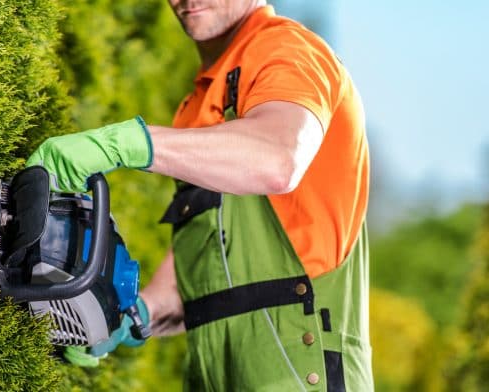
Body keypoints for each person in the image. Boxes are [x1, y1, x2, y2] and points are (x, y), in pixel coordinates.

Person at [27, 0, 373, 390]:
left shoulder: (288, 50)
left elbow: (279, 158)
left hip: (300, 372)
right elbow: (209, 268)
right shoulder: (200, 104)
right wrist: (133, 316)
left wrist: (123, 144)